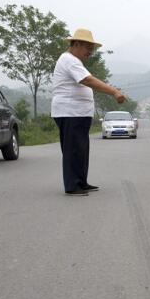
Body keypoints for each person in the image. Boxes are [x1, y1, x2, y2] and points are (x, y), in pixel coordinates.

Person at [51, 28, 126, 196]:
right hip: (69, 112)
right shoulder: (69, 60)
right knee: (73, 150)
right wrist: (113, 91)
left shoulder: (74, 61)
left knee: (81, 149)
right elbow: (87, 80)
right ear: (76, 44)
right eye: (88, 48)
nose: (90, 52)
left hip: (78, 113)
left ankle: (81, 182)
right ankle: (72, 185)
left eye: (92, 48)